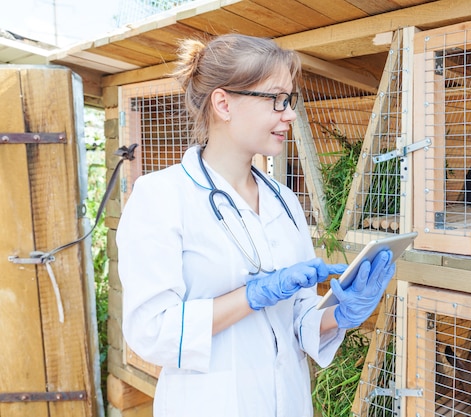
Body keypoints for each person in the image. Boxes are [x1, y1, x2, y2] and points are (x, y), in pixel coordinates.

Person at [116, 33, 397, 417]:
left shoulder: (284, 200)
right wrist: (251, 296)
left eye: (290, 100)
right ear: (224, 103)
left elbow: (297, 320)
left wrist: (341, 314)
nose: (290, 114)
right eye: (277, 100)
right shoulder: (160, 197)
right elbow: (150, 332)